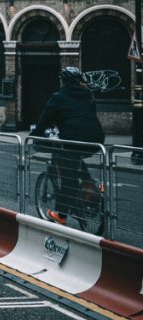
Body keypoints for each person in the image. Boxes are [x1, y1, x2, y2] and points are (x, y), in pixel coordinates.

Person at [29, 67, 105, 226]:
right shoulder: (88, 95)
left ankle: (61, 214)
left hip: (73, 140)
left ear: (63, 81)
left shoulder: (58, 97)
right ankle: (91, 188)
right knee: (75, 162)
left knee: (68, 177)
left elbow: (44, 119)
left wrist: (35, 135)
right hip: (96, 139)